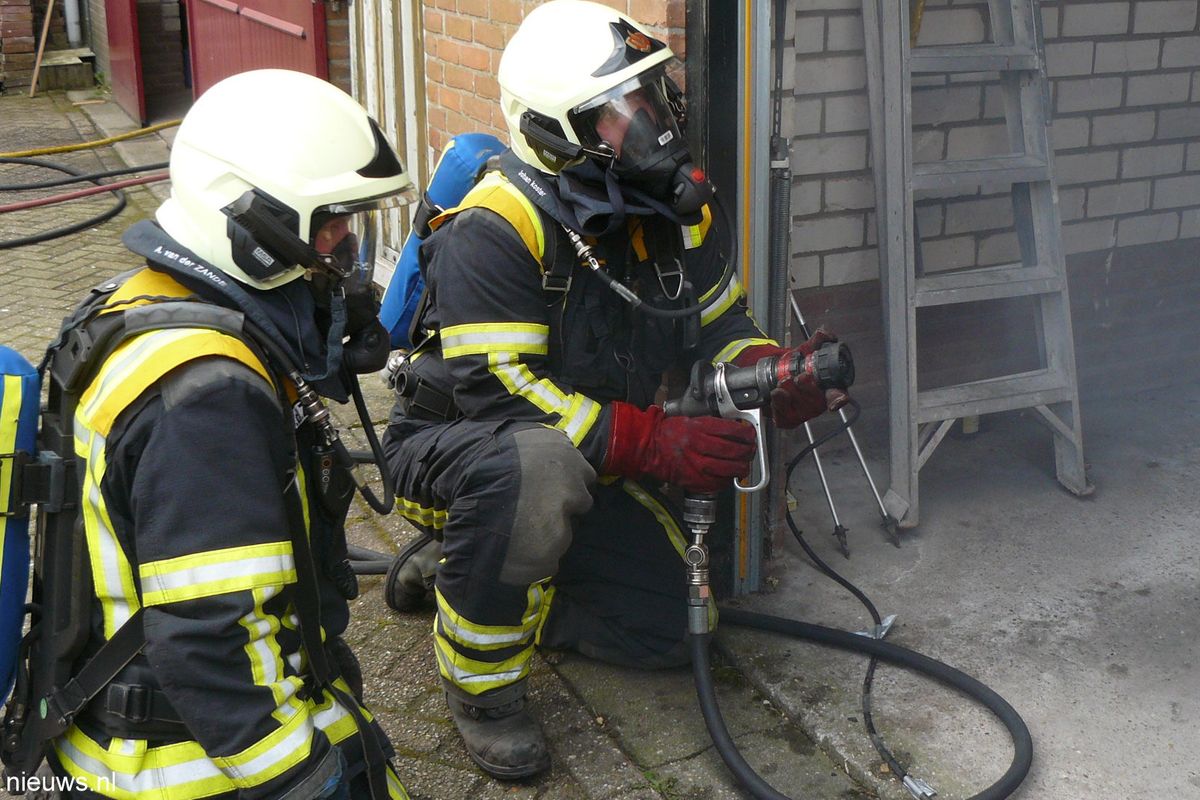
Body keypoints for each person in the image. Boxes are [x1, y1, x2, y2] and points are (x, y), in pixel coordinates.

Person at [381, 0, 847, 780]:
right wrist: (649, 441)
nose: (653, 124)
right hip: (462, 456)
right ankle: (483, 689)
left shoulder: (671, 216)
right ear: (555, 134)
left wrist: (770, 375)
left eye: (654, 96)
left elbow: (718, 323)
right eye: (621, 112)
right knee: (533, 472)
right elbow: (502, 394)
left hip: (583, 459)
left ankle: (472, 574)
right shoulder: (497, 225)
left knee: (672, 629)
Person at [40, 69, 414, 800]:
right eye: (330, 224)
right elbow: (214, 637)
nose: (345, 251)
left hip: (136, 714)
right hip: (189, 762)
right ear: (256, 233)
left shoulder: (144, 306)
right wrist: (305, 779)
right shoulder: (209, 402)